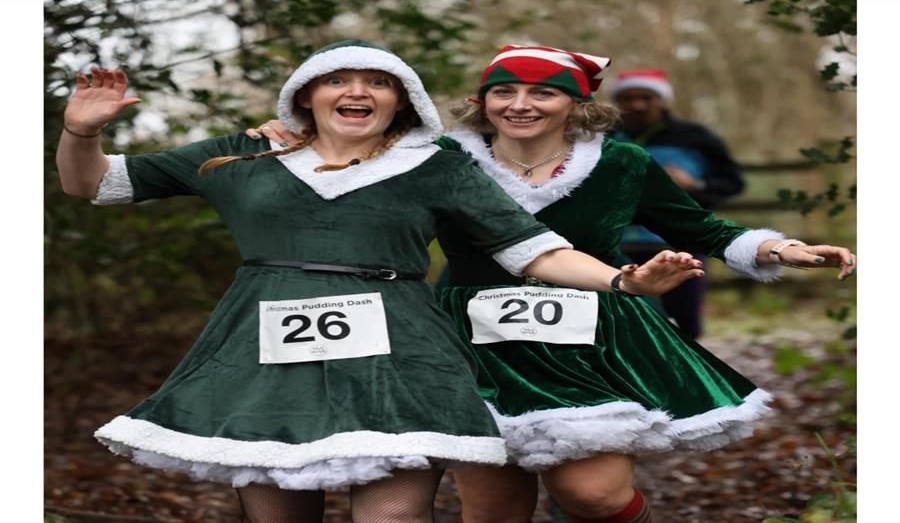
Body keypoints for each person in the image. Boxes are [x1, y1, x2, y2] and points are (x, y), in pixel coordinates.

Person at [55, 39, 704, 523]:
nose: (356, 91)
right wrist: (80, 132)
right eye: (337, 79)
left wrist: (623, 281)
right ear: (306, 95)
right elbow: (96, 183)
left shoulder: (433, 165)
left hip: (400, 350)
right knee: (280, 515)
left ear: (402, 100)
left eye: (376, 81)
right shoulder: (239, 156)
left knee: (393, 516)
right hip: (264, 352)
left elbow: (532, 250)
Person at [259, 44, 856, 523]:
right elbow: (347, 159)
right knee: (493, 507)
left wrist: (779, 248)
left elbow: (698, 224)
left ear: (577, 106)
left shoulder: (622, 164)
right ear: (483, 101)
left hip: (594, 337)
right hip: (470, 341)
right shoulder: (438, 157)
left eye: (542, 92)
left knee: (592, 496)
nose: (520, 104)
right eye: (504, 91)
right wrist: (290, 133)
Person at [611, 68, 746, 339]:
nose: (637, 104)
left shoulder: (695, 137)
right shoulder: (602, 137)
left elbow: (733, 182)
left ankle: (687, 375)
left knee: (685, 322)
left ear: (661, 99)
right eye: (628, 98)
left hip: (681, 243)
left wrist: (696, 186)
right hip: (613, 243)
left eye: (646, 97)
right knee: (619, 323)